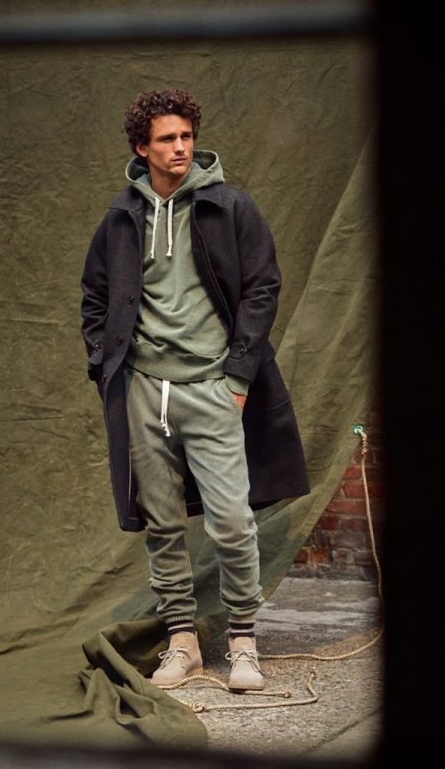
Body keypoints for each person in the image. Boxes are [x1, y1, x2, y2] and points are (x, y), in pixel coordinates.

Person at [80, 88, 309, 691]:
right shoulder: (121, 217)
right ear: (142, 147)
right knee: (161, 525)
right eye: (167, 139)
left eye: (186, 136)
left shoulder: (229, 206)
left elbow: (263, 287)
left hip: (213, 386)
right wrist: (105, 364)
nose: (180, 148)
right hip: (143, 390)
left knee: (232, 522)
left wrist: (238, 376)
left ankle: (243, 643)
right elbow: (95, 296)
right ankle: (182, 644)